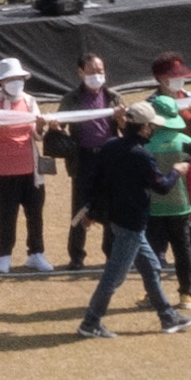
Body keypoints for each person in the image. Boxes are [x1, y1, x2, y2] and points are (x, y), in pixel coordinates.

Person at [74, 121, 191, 340]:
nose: (153, 130)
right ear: (143, 128)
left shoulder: (110, 146)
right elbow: (162, 186)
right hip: (131, 224)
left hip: (117, 219)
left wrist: (91, 209)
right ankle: (90, 322)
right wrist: (177, 171)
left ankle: (168, 317)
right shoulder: (142, 155)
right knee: (114, 276)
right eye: (151, 126)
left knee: (151, 268)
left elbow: (96, 180)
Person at [142, 62, 191, 296]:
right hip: (174, 205)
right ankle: (183, 293)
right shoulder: (183, 145)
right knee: (173, 250)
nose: (180, 81)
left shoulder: (146, 148)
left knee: (169, 249)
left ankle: (158, 293)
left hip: (162, 204)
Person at [0, 56, 48, 273]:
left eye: (18, 78)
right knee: (6, 213)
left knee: (35, 211)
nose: (15, 82)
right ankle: (4, 256)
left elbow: (37, 136)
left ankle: (36, 254)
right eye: (10, 79)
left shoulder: (30, 102)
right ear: (0, 83)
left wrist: (42, 127)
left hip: (30, 167)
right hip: (4, 169)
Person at [61, 51, 124, 269]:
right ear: (80, 72)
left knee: (110, 205)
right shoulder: (71, 98)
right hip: (83, 157)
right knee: (80, 207)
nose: (96, 75)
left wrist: (121, 119)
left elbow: (125, 128)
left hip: (110, 157)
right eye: (91, 71)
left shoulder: (113, 96)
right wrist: (51, 126)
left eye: (100, 71)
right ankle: (76, 256)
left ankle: (111, 253)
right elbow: (60, 125)